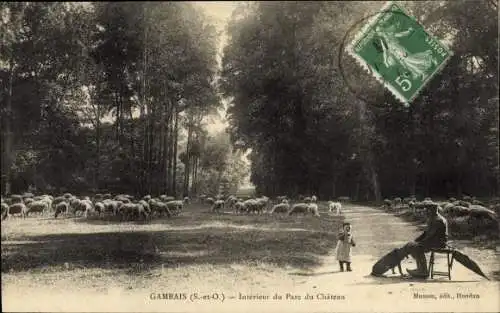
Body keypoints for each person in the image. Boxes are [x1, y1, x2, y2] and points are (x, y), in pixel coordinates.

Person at [401, 203, 448, 278]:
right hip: (434, 241)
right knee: (414, 245)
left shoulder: (438, 220)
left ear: (433, 211)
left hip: (439, 243)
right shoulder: (433, 218)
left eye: (428, 210)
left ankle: (423, 271)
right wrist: (416, 240)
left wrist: (419, 243)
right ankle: (420, 269)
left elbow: (430, 236)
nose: (426, 212)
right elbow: (426, 233)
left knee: (417, 247)